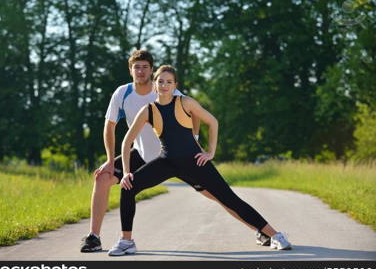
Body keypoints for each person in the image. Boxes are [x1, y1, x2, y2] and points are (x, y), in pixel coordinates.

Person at [81, 50, 256, 252]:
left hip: (176, 156)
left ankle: (258, 229)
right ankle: (94, 237)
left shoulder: (164, 89)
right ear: (130, 70)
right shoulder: (122, 93)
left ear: (152, 70)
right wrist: (110, 161)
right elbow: (109, 126)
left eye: (145, 67)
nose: (141, 71)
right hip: (141, 154)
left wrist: (195, 140)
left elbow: (193, 111)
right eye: (136, 67)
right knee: (103, 177)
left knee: (217, 194)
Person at [108, 65, 291, 256]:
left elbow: (212, 122)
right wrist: (127, 172)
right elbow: (127, 141)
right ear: (154, 84)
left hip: (195, 162)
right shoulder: (148, 110)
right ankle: (126, 241)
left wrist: (210, 152)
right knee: (127, 186)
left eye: (169, 82)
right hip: (167, 162)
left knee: (229, 199)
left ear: (175, 85)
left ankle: (275, 235)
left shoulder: (185, 102)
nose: (164, 85)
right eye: (160, 81)